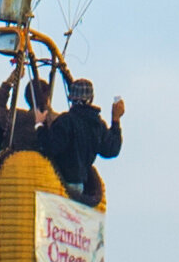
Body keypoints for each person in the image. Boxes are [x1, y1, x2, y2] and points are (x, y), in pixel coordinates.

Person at [30, 73, 125, 208]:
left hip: (59, 183)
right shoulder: (97, 125)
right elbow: (112, 149)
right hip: (79, 185)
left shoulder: (66, 121)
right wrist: (116, 120)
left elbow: (49, 147)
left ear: (72, 98)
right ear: (91, 99)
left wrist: (39, 125)